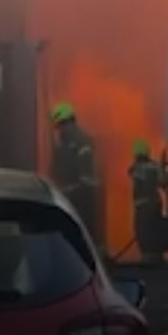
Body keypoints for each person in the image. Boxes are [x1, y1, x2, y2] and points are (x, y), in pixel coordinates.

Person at [49, 103, 103, 249]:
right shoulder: (63, 144)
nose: (60, 130)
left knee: (84, 232)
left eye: (61, 125)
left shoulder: (82, 141)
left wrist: (71, 188)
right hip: (68, 197)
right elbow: (57, 169)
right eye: (58, 127)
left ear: (69, 122)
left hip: (83, 197)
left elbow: (86, 175)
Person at [128, 140, 166, 266]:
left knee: (143, 230)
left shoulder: (138, 167)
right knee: (156, 229)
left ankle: (148, 257)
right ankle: (157, 255)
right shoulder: (155, 166)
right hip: (155, 203)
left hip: (143, 205)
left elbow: (131, 173)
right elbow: (163, 182)